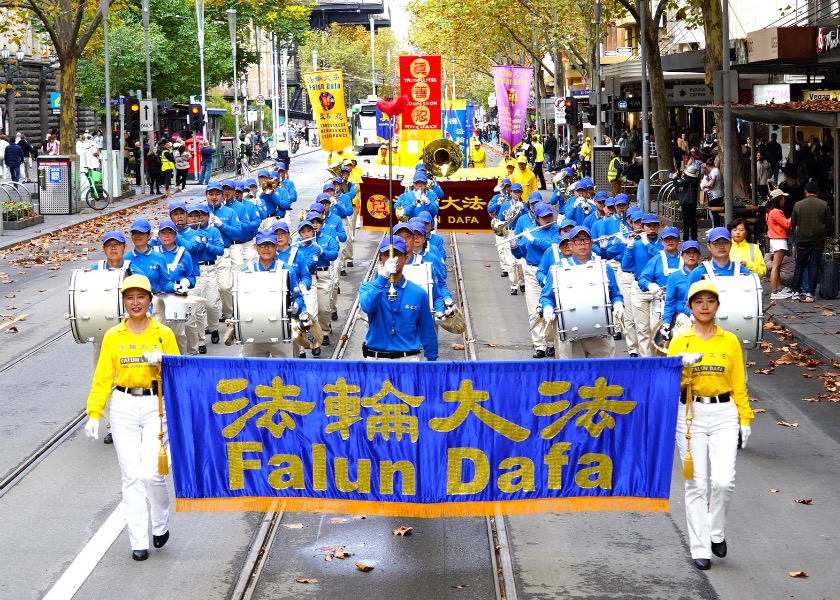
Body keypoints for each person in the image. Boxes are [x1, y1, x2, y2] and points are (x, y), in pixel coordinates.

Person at [83, 274, 180, 561]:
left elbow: (180, 372)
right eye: (129, 297)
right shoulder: (113, 336)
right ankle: (138, 540)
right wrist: (94, 413)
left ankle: (160, 523)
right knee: (132, 477)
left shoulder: (164, 334)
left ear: (150, 300)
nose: (135, 302)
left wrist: (163, 361)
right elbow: (102, 378)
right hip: (124, 406)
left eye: (141, 297)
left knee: (152, 474)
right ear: (123, 302)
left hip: (155, 406)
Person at [667, 280, 753, 571]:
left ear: (717, 305)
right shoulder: (680, 340)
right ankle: (700, 546)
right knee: (696, 484)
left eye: (710, 301)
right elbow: (667, 383)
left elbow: (738, 382)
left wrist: (745, 418)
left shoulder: (729, 340)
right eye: (698, 301)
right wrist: (680, 366)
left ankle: (716, 530)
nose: (705, 306)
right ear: (690, 306)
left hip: (724, 412)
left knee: (723, 481)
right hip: (689, 413)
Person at [539, 226, 625, 359]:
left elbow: (615, 294)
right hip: (569, 334)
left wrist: (618, 304)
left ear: (591, 243)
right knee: (572, 375)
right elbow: (546, 297)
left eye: (585, 239)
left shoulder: (604, 267)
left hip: (600, 333)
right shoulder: (557, 269)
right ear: (571, 244)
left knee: (603, 375)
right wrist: (548, 308)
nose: (582, 243)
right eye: (578, 240)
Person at [359, 237, 438, 361]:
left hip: (408, 360)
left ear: (406, 258)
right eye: (386, 255)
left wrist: (432, 363)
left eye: (396, 255)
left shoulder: (419, 293)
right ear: (380, 259)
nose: (392, 260)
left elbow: (427, 331)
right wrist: (383, 276)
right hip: (377, 360)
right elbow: (367, 306)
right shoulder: (368, 288)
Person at [238, 229, 305, 358]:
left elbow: (299, 297)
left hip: (281, 331)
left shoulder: (286, 270)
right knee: (252, 372)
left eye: (270, 245)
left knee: (286, 371)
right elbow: (238, 302)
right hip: (253, 331)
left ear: (276, 246)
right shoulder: (247, 272)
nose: (266, 249)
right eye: (262, 245)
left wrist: (296, 305)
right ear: (255, 247)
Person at [790, 180, 831, 302]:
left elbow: (793, 222)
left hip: (802, 239)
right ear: (817, 192)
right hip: (818, 239)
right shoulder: (824, 204)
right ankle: (810, 293)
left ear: (805, 192)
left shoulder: (798, 205)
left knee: (800, 265)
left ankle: (796, 291)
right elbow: (829, 222)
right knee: (814, 266)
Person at [765, 189, 792, 299]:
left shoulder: (769, 211)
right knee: (776, 267)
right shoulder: (776, 212)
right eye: (783, 197)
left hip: (775, 240)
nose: (784, 200)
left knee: (777, 266)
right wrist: (793, 216)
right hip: (779, 240)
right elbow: (787, 224)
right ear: (779, 199)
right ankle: (775, 292)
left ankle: (778, 289)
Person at [673, 163, 701, 241]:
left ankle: (686, 237)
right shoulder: (695, 181)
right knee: (693, 220)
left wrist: (674, 177)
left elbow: (675, 184)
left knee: (686, 220)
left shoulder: (687, 181)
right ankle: (694, 237)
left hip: (686, 203)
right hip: (693, 201)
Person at [700, 158, 724, 227]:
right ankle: (716, 227)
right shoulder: (716, 171)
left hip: (715, 196)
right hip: (715, 195)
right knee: (715, 213)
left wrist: (705, 185)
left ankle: (716, 227)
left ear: (708, 166)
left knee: (715, 213)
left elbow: (711, 183)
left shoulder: (714, 172)